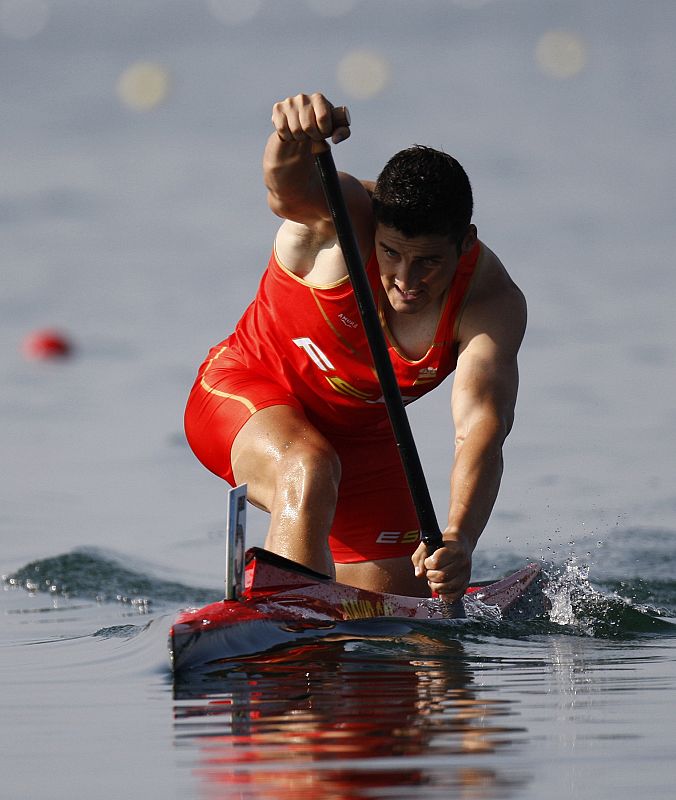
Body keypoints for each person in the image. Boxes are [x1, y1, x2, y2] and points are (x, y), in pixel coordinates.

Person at [184, 92, 526, 602]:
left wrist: (459, 536)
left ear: (465, 242)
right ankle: (290, 642)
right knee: (309, 466)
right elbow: (285, 191)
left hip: (360, 441)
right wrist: (290, 137)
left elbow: (481, 425)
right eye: (391, 254)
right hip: (242, 393)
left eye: (428, 262)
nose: (406, 280)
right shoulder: (341, 215)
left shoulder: (490, 301)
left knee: (404, 601)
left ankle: (307, 604)